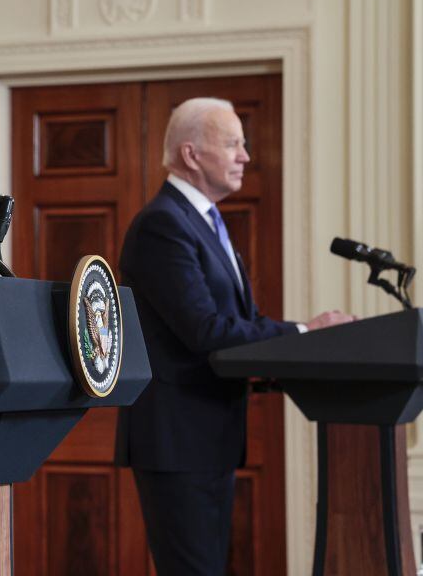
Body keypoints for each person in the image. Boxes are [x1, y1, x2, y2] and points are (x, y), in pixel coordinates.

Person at [114, 97, 353, 575]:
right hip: (179, 442)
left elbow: (237, 324)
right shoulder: (163, 225)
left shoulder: (204, 223)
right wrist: (305, 332)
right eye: (233, 144)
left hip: (209, 438)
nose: (245, 156)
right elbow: (205, 331)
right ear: (191, 154)